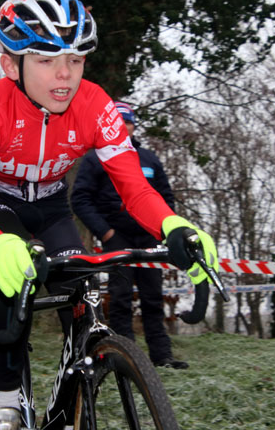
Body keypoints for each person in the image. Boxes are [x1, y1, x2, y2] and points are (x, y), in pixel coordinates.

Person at [0, 0, 218, 430]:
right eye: (46, 60)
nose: (64, 75)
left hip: (52, 204)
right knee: (18, 284)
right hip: (1, 202)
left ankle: (73, 392)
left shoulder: (96, 106)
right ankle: (5, 397)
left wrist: (173, 225)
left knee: (80, 288)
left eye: (75, 60)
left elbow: (135, 188)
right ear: (10, 64)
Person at [71, 102, 188, 370]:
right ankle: (127, 359)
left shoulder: (149, 158)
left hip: (149, 238)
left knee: (153, 298)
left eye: (128, 122)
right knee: (120, 298)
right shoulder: (94, 158)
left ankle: (162, 357)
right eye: (118, 123)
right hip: (117, 238)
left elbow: (166, 198)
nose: (124, 127)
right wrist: (105, 231)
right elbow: (80, 199)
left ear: (134, 126)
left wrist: (163, 230)